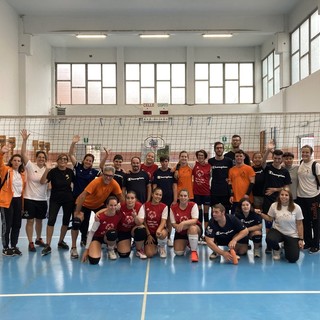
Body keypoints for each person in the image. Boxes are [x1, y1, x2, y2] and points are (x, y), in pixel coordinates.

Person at [71, 165, 124, 258]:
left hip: (98, 205)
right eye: (106, 175)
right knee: (76, 222)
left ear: (113, 176)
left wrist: (123, 209)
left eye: (110, 176)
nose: (108, 177)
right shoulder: (96, 182)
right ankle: (74, 247)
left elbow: (121, 198)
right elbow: (82, 196)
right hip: (84, 204)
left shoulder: (114, 183)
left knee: (110, 216)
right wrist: (77, 211)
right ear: (102, 174)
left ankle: (109, 242)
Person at [68, 135, 107, 251]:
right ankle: (74, 245)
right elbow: (70, 155)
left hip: (89, 200)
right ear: (84, 160)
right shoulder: (77, 166)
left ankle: (85, 238)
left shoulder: (94, 172)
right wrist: (73, 143)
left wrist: (106, 157)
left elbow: (104, 172)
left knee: (86, 220)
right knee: (77, 220)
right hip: (77, 199)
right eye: (87, 160)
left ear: (92, 163)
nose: (88, 162)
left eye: (90, 161)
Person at [40, 153, 75, 256]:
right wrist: (47, 169)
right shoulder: (53, 172)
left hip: (68, 199)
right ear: (58, 160)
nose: (63, 160)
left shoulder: (70, 172)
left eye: (65, 159)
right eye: (61, 159)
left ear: (67, 161)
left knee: (65, 221)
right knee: (51, 220)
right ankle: (48, 245)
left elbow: (77, 183)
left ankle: (61, 241)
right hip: (55, 199)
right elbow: (42, 182)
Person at [257, 188, 304, 262]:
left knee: (293, 259)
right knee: (270, 239)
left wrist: (301, 239)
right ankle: (277, 250)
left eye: (286, 195)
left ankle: (286, 245)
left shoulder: (296, 207)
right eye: (282, 194)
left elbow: (299, 224)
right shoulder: (274, 205)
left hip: (291, 234)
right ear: (279, 196)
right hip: (278, 231)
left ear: (290, 197)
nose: (284, 197)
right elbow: (269, 218)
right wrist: (260, 214)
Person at [20, 129, 48, 252]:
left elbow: (46, 182)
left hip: (42, 199)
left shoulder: (48, 170)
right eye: (39, 157)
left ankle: (38, 238)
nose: (41, 158)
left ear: (45, 159)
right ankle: (30, 242)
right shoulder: (31, 166)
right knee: (30, 220)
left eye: (43, 157)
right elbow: (22, 154)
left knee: (40, 221)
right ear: (36, 158)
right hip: (29, 198)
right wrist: (24, 140)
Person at [262, 142, 291, 253]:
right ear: (273, 158)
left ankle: (284, 241)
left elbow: (287, 187)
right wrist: (268, 150)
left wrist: (275, 189)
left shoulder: (285, 172)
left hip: (280, 200)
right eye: (275, 158)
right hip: (268, 199)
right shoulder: (268, 168)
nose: (277, 160)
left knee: (282, 220)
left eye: (279, 158)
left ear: (282, 159)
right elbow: (263, 162)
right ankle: (269, 244)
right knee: (268, 222)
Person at [0, 145, 25, 256]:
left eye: (18, 161)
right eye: (14, 160)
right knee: (7, 224)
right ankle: (5, 247)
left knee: (17, 224)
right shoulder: (6, 170)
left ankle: (14, 246)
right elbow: (0, 164)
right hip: (7, 201)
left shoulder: (22, 174)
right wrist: (1, 153)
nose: (16, 162)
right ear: (11, 161)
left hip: (18, 200)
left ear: (20, 163)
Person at [82, 196, 121, 264]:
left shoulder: (119, 214)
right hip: (98, 237)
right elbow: (91, 233)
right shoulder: (100, 217)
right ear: (107, 206)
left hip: (109, 236)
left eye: (115, 205)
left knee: (112, 233)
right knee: (94, 261)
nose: (113, 207)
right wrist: (86, 249)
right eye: (111, 205)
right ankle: (98, 246)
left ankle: (111, 249)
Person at [296, 145, 320, 253]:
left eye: (307, 152)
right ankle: (308, 242)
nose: (304, 154)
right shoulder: (301, 163)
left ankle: (316, 244)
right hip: (301, 197)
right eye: (303, 152)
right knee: (305, 221)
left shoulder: (316, 165)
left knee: (315, 221)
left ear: (311, 153)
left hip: (313, 197)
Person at [152, 155, 177, 247]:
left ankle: (169, 238)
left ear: (168, 162)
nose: (164, 163)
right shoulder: (156, 172)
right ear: (160, 162)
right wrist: (154, 199)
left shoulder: (171, 172)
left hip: (169, 199)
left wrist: (175, 199)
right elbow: (154, 186)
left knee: (169, 220)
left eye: (166, 161)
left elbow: (174, 186)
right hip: (159, 199)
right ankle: (160, 236)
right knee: (160, 218)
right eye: (162, 161)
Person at [170, 189, 201, 262]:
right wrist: (178, 226)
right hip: (181, 231)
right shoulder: (173, 208)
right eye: (181, 196)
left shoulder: (193, 205)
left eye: (185, 196)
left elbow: (195, 220)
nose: (183, 197)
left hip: (194, 228)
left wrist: (183, 223)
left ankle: (194, 252)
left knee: (192, 228)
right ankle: (189, 242)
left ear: (188, 197)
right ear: (178, 197)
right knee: (178, 252)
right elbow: (173, 224)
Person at [117, 191, 148, 259]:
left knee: (141, 229)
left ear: (135, 199)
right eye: (128, 198)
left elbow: (140, 223)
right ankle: (122, 243)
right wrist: (116, 210)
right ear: (125, 199)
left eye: (132, 198)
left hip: (133, 229)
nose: (130, 200)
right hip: (123, 230)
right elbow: (108, 211)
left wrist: (135, 217)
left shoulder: (140, 206)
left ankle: (139, 250)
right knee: (123, 254)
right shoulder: (120, 205)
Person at [208, 141, 233, 214]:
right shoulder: (210, 161)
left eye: (221, 148)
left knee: (226, 213)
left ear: (223, 149)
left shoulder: (229, 161)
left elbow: (232, 175)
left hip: (226, 191)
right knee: (214, 212)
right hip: (214, 191)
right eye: (217, 148)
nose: (219, 149)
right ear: (214, 150)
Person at [192, 149, 211, 243]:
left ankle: (206, 235)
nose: (200, 157)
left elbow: (211, 177)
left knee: (206, 215)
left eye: (202, 155)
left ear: (205, 156)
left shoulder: (209, 166)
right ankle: (200, 234)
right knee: (199, 215)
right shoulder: (194, 165)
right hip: (197, 193)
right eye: (199, 155)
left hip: (206, 192)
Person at [228, 150, 255, 214]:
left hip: (246, 199)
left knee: (248, 219)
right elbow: (230, 184)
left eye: (240, 156)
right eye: (237, 156)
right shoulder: (231, 170)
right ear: (234, 158)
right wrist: (231, 195)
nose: (239, 157)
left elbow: (252, 182)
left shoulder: (249, 168)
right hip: (235, 199)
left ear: (244, 157)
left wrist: (247, 194)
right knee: (235, 219)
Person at [144, 187, 168, 258]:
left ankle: (162, 247)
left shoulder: (164, 207)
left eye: (160, 195)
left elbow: (163, 221)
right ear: (152, 194)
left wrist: (159, 230)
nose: (158, 196)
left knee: (162, 233)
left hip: (158, 231)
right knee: (149, 254)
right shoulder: (145, 205)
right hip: (149, 233)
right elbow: (144, 221)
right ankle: (154, 246)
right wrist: (148, 235)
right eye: (156, 194)